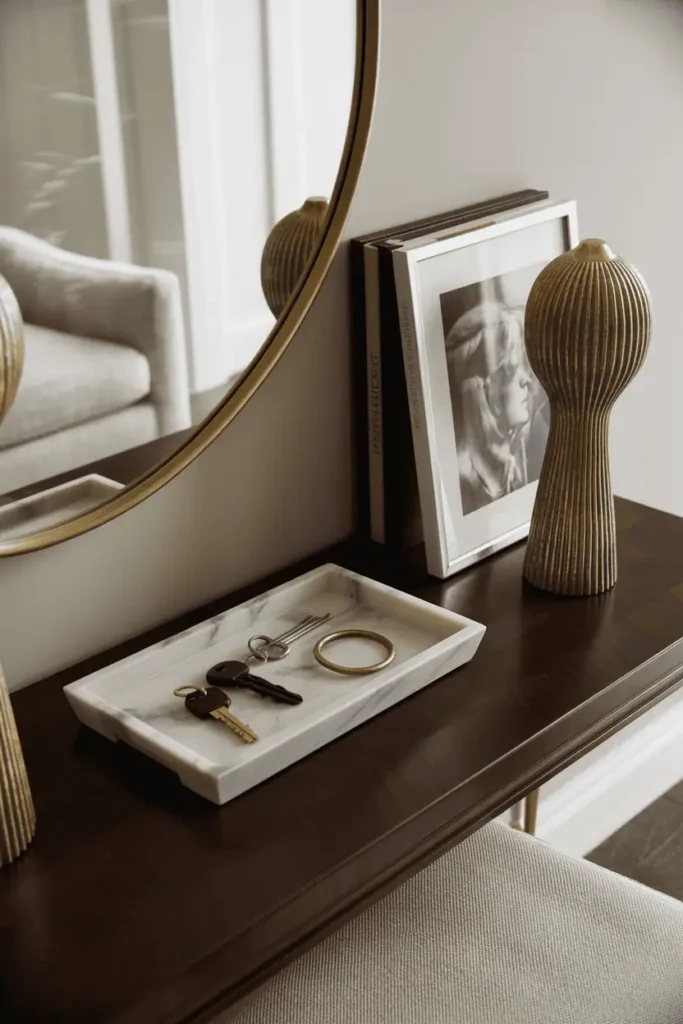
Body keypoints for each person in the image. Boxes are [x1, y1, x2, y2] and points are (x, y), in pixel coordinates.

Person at [445, 300, 544, 515]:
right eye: (511, 369)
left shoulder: (514, 469)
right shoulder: (458, 483)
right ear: (478, 388)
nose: (527, 379)